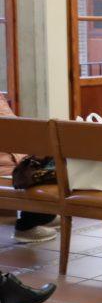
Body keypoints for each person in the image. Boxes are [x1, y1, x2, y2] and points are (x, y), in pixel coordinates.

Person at [1, 97, 57, 244]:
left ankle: (43, 214)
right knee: (50, 172)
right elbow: (14, 129)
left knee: (49, 166)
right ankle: (29, 223)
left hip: (13, 163)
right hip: (7, 169)